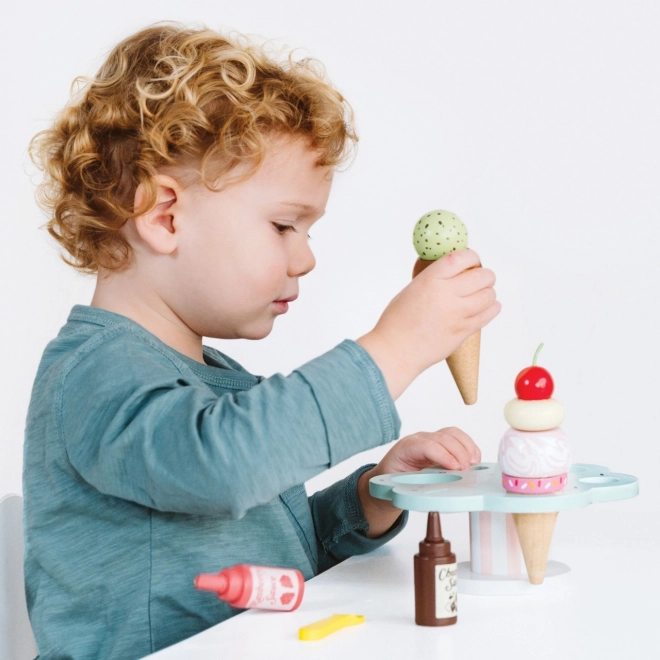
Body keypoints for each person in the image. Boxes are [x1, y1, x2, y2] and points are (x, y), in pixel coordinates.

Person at [23, 23, 500, 660]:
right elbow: (221, 468)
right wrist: (396, 347)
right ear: (165, 215)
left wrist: (365, 499)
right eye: (283, 226)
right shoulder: (95, 374)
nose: (305, 258)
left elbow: (266, 554)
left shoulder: (204, 375)